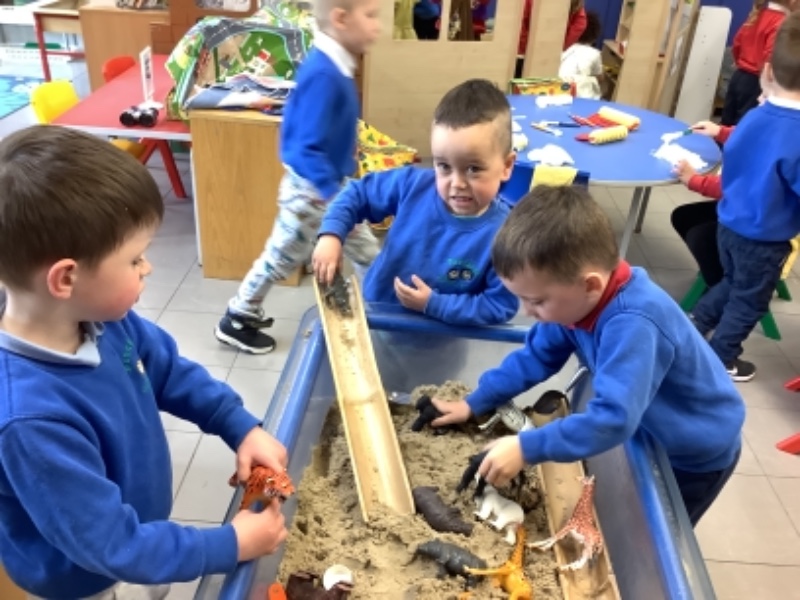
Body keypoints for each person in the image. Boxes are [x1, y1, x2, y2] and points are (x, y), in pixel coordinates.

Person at [0, 126, 289, 599]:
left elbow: (168, 370)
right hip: (80, 577)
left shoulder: (102, 319)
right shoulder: (30, 421)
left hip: (138, 534)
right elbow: (110, 545)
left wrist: (239, 426)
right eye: (135, 259)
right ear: (66, 278)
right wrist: (229, 544)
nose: (148, 267)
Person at [427, 185, 744, 527]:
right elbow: (536, 357)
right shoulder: (575, 304)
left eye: (536, 301)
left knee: (659, 525)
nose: (527, 311)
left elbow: (613, 419)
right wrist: (473, 403)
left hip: (694, 451)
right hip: (648, 422)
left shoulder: (634, 322)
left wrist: (526, 447)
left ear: (590, 285)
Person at [214, 0, 383, 355]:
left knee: (362, 251)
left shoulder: (335, 65)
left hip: (323, 186)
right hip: (314, 192)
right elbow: (305, 147)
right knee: (285, 256)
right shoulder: (324, 74)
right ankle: (238, 316)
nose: (377, 26)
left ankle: (379, 312)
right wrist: (334, 194)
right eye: (370, 16)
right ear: (340, 19)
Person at [312, 79, 520, 327]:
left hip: (444, 339)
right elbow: (357, 194)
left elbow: (499, 306)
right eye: (444, 166)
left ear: (507, 166)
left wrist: (434, 304)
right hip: (379, 318)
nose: (457, 183)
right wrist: (331, 234)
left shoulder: (506, 236)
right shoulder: (412, 185)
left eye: (473, 169)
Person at [690, 12, 800, 381]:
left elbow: (738, 145)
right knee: (749, 301)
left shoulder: (756, 115)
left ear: (767, 72)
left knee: (733, 284)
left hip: (728, 225)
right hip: (763, 239)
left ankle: (695, 328)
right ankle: (720, 359)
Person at [722, 0, 797, 125]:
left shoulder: (757, 15)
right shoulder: (782, 22)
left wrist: (739, 61)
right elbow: (770, 57)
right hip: (756, 82)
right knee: (745, 124)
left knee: (727, 121)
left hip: (738, 76)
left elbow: (737, 43)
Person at [558, 11, 603, 99]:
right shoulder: (595, 53)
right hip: (581, 95)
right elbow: (599, 77)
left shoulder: (562, 48)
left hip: (557, 90)